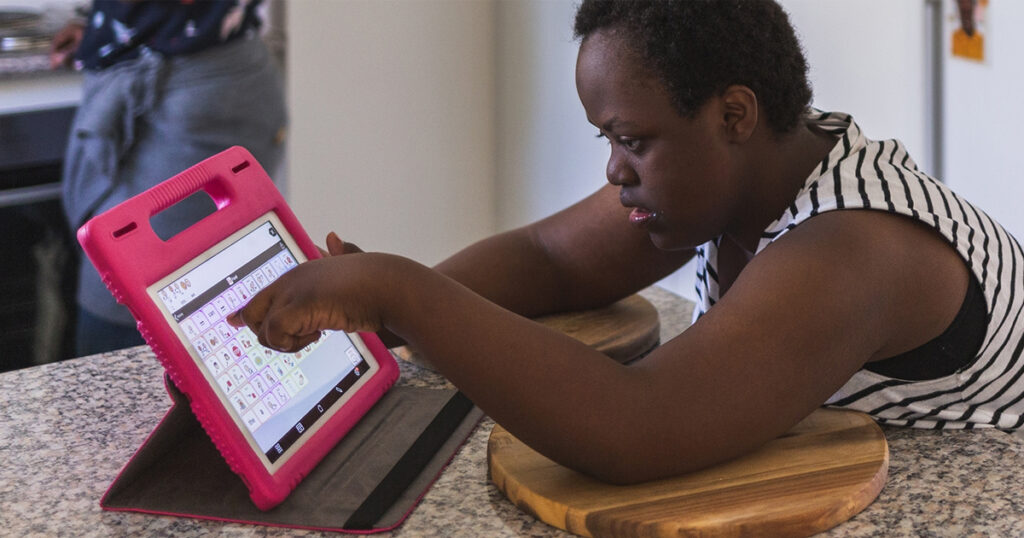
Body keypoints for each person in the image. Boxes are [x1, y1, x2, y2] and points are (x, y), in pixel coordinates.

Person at [229, 0, 1024, 484]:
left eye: (630, 139)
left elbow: (639, 425)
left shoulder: (852, 248)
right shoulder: (748, 171)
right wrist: (388, 319)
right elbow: (553, 258)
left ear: (733, 116)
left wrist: (400, 289)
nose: (614, 169)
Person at [50, 0, 287, 356]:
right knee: (169, 295)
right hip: (202, 70)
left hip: (196, 92)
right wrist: (106, 25)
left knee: (130, 294)